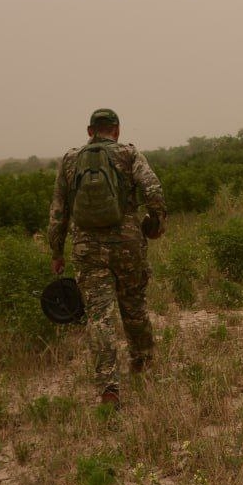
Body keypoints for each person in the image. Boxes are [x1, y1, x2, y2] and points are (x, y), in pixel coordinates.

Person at [48, 108, 166, 404]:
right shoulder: (128, 154)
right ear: (116, 129)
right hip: (128, 244)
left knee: (99, 317)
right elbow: (154, 190)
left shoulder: (71, 160)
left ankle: (109, 386)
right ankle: (142, 363)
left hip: (87, 248)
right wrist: (155, 225)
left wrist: (56, 251)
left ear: (90, 131)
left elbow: (58, 211)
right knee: (134, 306)